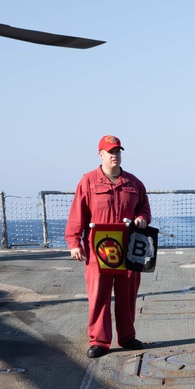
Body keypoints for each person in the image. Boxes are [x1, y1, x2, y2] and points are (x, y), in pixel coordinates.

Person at [65, 135, 152, 359]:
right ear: (101, 155)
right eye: (110, 152)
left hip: (128, 247)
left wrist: (142, 218)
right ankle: (99, 341)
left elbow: (144, 208)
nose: (115, 155)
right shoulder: (88, 181)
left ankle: (126, 337)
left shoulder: (133, 183)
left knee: (127, 294)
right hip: (98, 248)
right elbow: (77, 214)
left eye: (118, 151)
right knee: (99, 295)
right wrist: (74, 243)